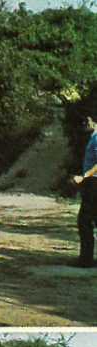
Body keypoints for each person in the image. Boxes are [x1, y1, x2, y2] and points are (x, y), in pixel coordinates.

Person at [71, 113, 97, 267]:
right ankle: (86, 258)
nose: (83, 125)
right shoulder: (93, 138)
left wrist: (84, 176)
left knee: (84, 221)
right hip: (92, 182)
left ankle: (86, 259)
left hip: (94, 183)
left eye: (85, 122)